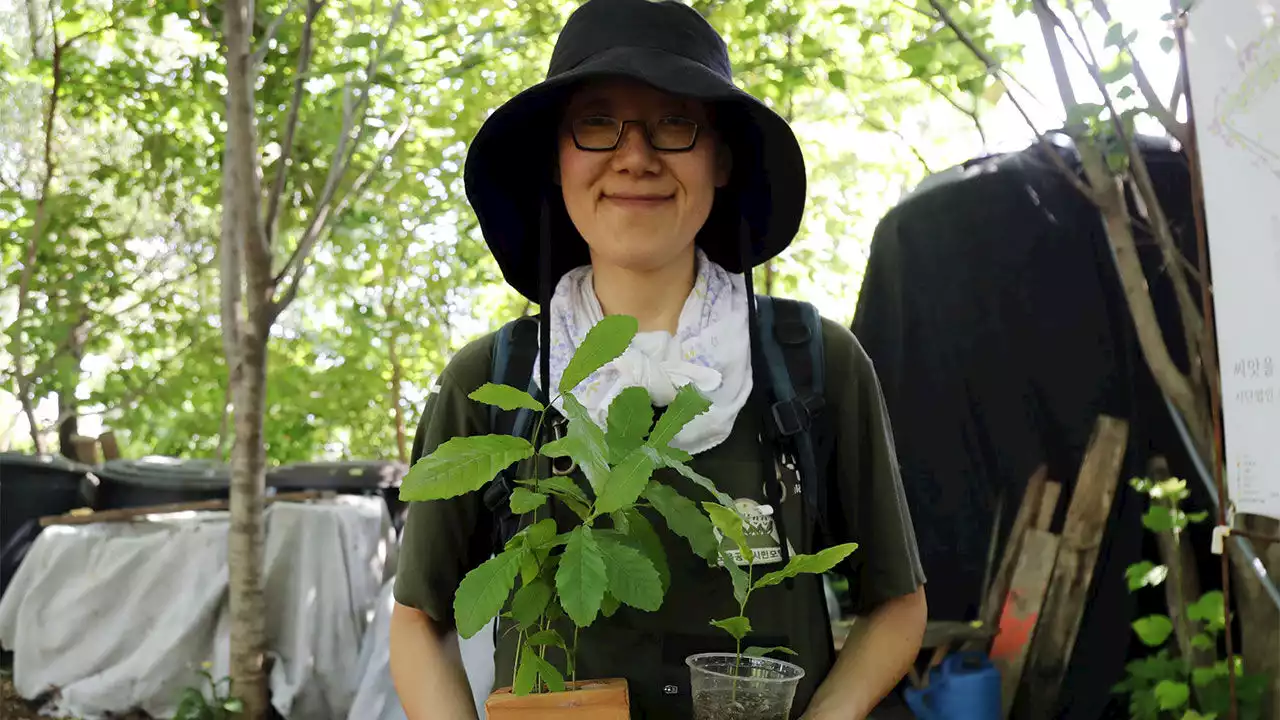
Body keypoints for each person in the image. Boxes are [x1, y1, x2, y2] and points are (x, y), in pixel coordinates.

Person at [389, 0, 928, 717]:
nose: (635, 156)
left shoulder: (813, 364)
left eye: (676, 124)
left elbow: (897, 603)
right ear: (557, 158)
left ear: (722, 158)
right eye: (597, 123)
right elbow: (418, 621)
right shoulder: (492, 383)